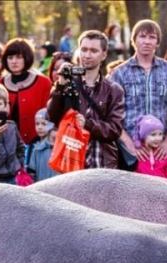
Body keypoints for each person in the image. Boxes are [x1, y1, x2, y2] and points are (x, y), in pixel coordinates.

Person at [47, 29, 125, 169]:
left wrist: (87, 124)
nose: (87, 55)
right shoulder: (67, 83)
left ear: (104, 54)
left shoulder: (113, 89)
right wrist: (60, 86)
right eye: (84, 49)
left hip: (102, 164)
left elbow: (115, 130)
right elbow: (52, 116)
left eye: (93, 51)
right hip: (71, 161)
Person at [109, 19, 167, 166]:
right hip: (129, 151)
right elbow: (111, 113)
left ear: (157, 42)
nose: (147, 41)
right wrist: (129, 144)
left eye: (152, 37)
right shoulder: (120, 72)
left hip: (160, 148)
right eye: (142, 36)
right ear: (134, 40)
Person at [0, 38, 52, 145]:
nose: (14, 61)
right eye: (10, 57)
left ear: (27, 57)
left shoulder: (43, 83)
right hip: (4, 144)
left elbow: (48, 116)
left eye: (19, 57)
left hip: (36, 144)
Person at [133, 114, 167, 181]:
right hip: (142, 185)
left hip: (161, 186)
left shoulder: (163, 152)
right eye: (153, 135)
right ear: (144, 136)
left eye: (160, 134)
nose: (158, 138)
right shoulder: (139, 152)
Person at [26, 108, 58, 182]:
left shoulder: (56, 145)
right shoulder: (33, 146)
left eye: (44, 124)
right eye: (37, 124)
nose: (39, 127)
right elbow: (31, 171)